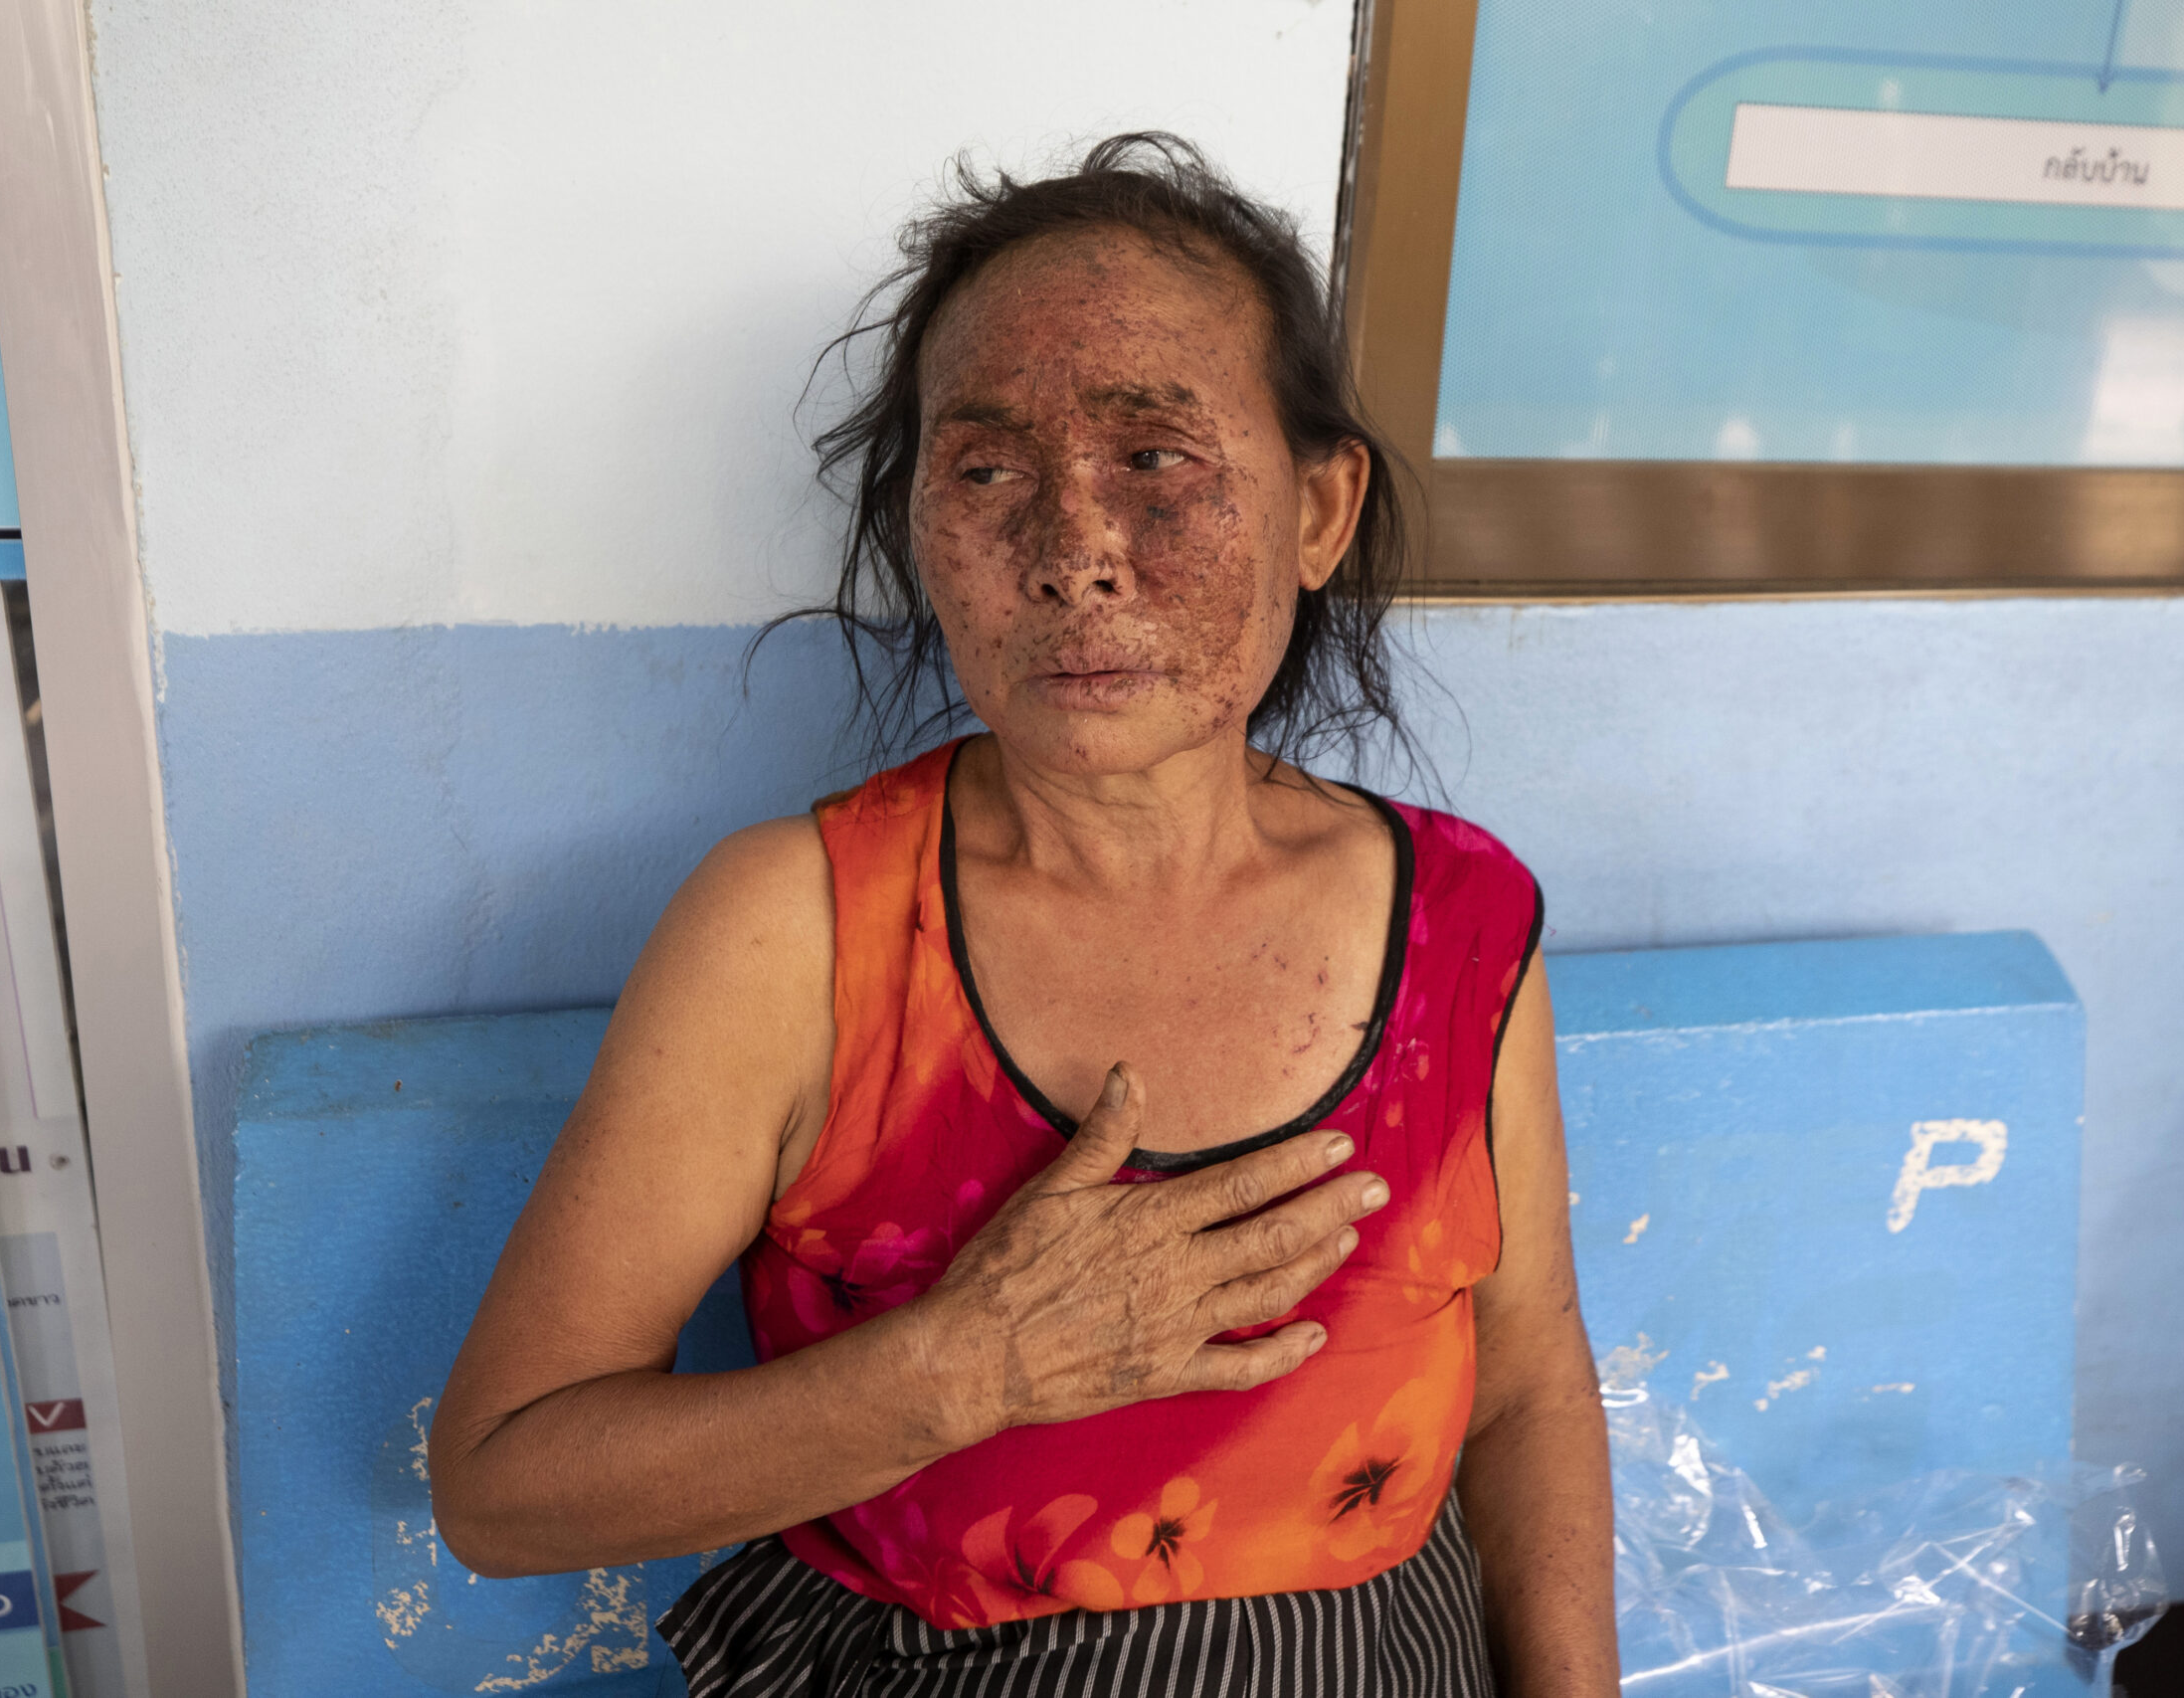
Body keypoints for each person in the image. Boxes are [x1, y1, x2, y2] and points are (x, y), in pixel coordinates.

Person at [432, 135, 1615, 1698]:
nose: (1072, 555)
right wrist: (969, 1365)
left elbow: (1524, 1377)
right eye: (986, 470)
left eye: (1157, 462)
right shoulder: (803, 928)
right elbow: (504, 1486)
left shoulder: (1461, 915)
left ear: (1321, 511)